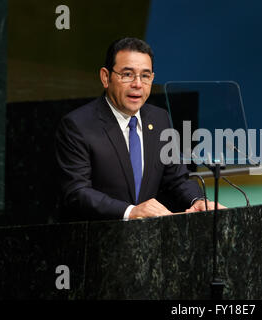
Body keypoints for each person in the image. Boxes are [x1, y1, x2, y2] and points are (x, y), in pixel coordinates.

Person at [55, 37, 222, 221]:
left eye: (145, 75)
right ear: (105, 77)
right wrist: (130, 212)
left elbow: (177, 179)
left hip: (147, 240)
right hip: (96, 238)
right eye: (127, 74)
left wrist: (197, 200)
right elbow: (77, 191)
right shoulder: (78, 125)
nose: (137, 84)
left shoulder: (159, 119)